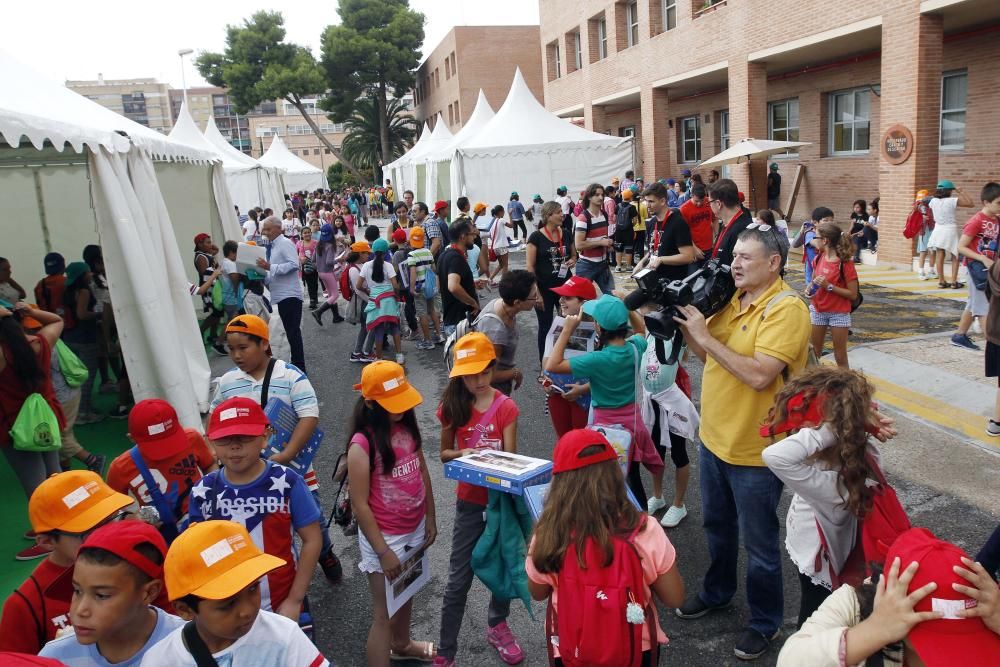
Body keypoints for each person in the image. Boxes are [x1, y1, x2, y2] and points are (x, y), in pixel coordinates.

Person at [672, 226, 811, 660]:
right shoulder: (732, 298)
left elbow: (758, 375)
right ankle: (718, 592)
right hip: (715, 438)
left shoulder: (786, 308)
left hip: (756, 450)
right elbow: (707, 358)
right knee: (717, 526)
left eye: (745, 257)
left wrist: (707, 336)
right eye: (734, 255)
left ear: (773, 263)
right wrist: (688, 327)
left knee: (761, 543)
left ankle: (765, 621)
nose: (734, 263)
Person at [525, 428, 685, 666]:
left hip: (571, 648)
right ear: (615, 474)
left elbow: (538, 593)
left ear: (558, 482)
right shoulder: (644, 529)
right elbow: (675, 597)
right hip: (634, 648)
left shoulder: (548, 532)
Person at [211, 314, 342, 583]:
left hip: (292, 468)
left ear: (264, 345)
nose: (236, 355)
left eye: (243, 348)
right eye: (231, 348)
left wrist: (286, 455)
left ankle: (324, 551)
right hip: (245, 472)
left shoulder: (291, 375)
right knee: (258, 521)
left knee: (311, 517)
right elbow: (214, 418)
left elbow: (309, 416)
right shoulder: (227, 382)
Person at [761, 367, 890, 627]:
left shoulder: (832, 486)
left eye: (804, 430)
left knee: (812, 620)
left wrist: (831, 428)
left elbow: (774, 456)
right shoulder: (864, 459)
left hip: (820, 564)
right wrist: (852, 421)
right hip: (832, 554)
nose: (797, 434)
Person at [776, 527, 1000, 666]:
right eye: (940, 642)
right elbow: (791, 659)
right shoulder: (854, 604)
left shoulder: (989, 610)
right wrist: (874, 631)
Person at [434, 333, 523, 667]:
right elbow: (444, 454)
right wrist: (464, 453)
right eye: (470, 375)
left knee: (502, 571)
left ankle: (497, 624)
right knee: (458, 579)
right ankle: (445, 650)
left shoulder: (507, 407)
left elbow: (513, 459)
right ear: (459, 374)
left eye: (484, 372)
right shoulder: (452, 407)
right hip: (469, 503)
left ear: (493, 367)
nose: (478, 381)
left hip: (501, 502)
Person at [190, 397, 322, 620]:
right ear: (210, 442)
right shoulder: (202, 491)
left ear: (265, 437)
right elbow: (198, 551)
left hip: (283, 604)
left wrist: (295, 600)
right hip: (228, 610)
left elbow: (312, 539)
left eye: (244, 437)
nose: (234, 446)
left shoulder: (287, 481)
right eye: (224, 439)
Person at [140, 520, 329, 666]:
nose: (247, 611)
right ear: (184, 610)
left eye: (253, 588)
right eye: (228, 604)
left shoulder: (284, 636)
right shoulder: (160, 661)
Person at [347, 361, 438, 665]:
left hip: (413, 530)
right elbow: (360, 505)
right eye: (392, 403)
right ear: (371, 403)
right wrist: (383, 551)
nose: (400, 408)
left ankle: (402, 644)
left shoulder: (407, 429)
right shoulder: (362, 445)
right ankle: (387, 649)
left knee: (407, 591)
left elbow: (423, 471)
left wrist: (431, 516)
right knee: (383, 613)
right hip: (384, 538)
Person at [545, 293, 664, 507]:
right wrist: (627, 308)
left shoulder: (598, 359)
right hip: (632, 424)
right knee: (632, 475)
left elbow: (552, 365)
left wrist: (567, 330)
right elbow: (640, 331)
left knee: (606, 477)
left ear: (599, 328)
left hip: (606, 428)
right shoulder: (634, 348)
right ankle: (641, 521)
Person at [0, 470, 134, 653]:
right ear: (46, 542)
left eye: (112, 519)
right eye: (90, 531)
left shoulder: (136, 561)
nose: (107, 535)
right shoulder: (26, 605)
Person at [39, 521, 183, 666]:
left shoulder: (190, 648)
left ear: (148, 593)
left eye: (102, 595)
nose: (80, 610)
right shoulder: (54, 658)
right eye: (77, 591)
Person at [106, 399, 218, 539]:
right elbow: (110, 512)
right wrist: (132, 520)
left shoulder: (191, 438)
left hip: (204, 518)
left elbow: (209, 465)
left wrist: (215, 492)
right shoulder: (121, 467)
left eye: (170, 440)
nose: (167, 452)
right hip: (162, 536)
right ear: (132, 439)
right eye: (156, 446)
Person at [0, 301, 65, 503]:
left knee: (35, 487)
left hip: (14, 425)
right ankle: (73, 525)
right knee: (56, 475)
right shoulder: (40, 342)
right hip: (45, 418)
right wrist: (31, 311)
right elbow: (57, 320)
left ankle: (50, 530)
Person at [639, 328, 696, 529]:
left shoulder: (678, 334)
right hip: (651, 402)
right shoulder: (649, 331)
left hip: (672, 402)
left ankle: (679, 504)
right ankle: (657, 496)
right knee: (656, 452)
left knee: (679, 453)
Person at [541, 277, 597, 437]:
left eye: (567, 298)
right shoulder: (559, 324)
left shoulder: (600, 329)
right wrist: (545, 382)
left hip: (585, 397)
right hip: (557, 395)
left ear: (584, 303)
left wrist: (583, 389)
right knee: (565, 441)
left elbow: (610, 372)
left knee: (583, 443)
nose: (560, 301)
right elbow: (546, 363)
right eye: (561, 296)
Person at [473, 270, 539, 395]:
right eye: (534, 296)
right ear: (517, 303)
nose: (537, 299)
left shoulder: (501, 303)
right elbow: (489, 375)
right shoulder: (496, 331)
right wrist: (515, 373)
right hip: (491, 393)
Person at [952, 182, 1000, 351]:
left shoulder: (996, 220)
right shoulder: (976, 220)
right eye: (998, 203)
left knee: (973, 304)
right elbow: (961, 247)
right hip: (975, 269)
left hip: (989, 269)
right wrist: (982, 258)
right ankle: (993, 346)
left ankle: (959, 336)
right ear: (986, 202)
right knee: (984, 308)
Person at [256, 217, 307, 372]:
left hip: (290, 294)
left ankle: (299, 366)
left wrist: (269, 266)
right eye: (264, 229)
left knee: (293, 332)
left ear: (278, 228)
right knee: (291, 331)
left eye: (268, 229)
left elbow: (294, 265)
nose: (265, 232)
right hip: (282, 294)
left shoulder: (284, 243)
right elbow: (273, 271)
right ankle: (297, 363)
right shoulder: (272, 246)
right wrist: (262, 277)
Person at [526, 201, 575, 361]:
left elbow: (574, 255)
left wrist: (573, 260)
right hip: (544, 289)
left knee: (567, 324)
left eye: (562, 211)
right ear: (548, 216)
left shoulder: (566, 233)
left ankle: (564, 362)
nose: (563, 214)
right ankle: (545, 365)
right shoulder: (536, 237)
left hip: (566, 288)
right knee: (546, 327)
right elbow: (530, 267)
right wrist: (536, 293)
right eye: (559, 212)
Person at [806, 222, 859, 368]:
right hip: (818, 310)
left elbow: (853, 294)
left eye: (815, 236)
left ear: (825, 241)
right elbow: (815, 281)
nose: (812, 239)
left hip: (839, 313)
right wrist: (810, 289)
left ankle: (847, 387)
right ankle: (813, 385)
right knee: (814, 353)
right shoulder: (819, 257)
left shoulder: (845, 263)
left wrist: (829, 286)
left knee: (840, 356)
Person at [60, 261, 104, 423]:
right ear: (82, 275)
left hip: (70, 337)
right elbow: (82, 314)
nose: (90, 274)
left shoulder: (67, 291)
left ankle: (82, 407)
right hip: (86, 338)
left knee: (75, 376)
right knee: (88, 376)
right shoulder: (84, 291)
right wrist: (98, 314)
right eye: (87, 272)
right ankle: (83, 412)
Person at [358, 238, 404, 365]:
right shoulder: (388, 266)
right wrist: (398, 295)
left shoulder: (366, 265)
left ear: (373, 251)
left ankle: (379, 358)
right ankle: (399, 355)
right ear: (385, 252)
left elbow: (358, 285)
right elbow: (395, 285)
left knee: (378, 330)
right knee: (394, 327)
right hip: (389, 300)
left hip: (374, 300)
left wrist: (368, 290)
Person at [635, 181, 695, 279]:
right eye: (646, 201)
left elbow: (688, 257)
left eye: (651, 201)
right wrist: (642, 262)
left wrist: (661, 260)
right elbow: (654, 250)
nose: (647, 205)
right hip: (652, 278)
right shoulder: (652, 222)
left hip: (671, 282)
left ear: (663, 201)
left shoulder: (678, 222)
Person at [927, 179, 974, 289]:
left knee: (940, 254)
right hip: (950, 229)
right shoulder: (952, 200)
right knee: (955, 255)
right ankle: (953, 282)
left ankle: (941, 281)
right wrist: (961, 192)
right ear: (949, 191)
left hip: (938, 229)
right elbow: (970, 204)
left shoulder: (933, 201)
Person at [438, 219, 480, 336]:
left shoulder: (445, 255)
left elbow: (443, 283)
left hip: (453, 320)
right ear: (463, 236)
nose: (475, 237)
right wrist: (472, 302)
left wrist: (471, 284)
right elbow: (453, 287)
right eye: (472, 233)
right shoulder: (456, 258)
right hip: (459, 322)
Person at [405, 227, 445, 350]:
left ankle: (427, 341)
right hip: (430, 287)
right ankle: (439, 335)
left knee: (422, 313)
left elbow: (413, 274)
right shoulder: (428, 252)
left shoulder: (411, 255)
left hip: (419, 288)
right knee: (432, 310)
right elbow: (434, 270)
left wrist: (412, 289)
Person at [574, 183, 615, 294]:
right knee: (582, 299)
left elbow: (603, 238)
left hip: (603, 264)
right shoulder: (583, 218)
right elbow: (578, 245)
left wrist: (608, 245)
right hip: (587, 265)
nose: (601, 197)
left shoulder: (604, 215)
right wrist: (601, 243)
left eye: (602, 195)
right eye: (597, 195)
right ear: (589, 197)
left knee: (613, 297)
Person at [708, 178, 755, 268]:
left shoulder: (741, 231)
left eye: (710, 202)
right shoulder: (727, 223)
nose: (709, 206)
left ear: (718, 204)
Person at [311, 223, 346, 325]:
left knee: (330, 294)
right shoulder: (330, 246)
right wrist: (339, 259)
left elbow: (313, 259)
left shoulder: (318, 244)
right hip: (328, 272)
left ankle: (336, 317)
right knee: (335, 295)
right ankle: (318, 312)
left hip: (320, 273)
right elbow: (329, 262)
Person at [679, 183, 715, 266]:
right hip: (694, 249)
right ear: (691, 195)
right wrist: (694, 249)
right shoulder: (684, 209)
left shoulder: (708, 201)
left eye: (701, 201)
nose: (699, 204)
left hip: (710, 247)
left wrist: (716, 237)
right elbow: (684, 233)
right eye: (696, 201)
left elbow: (715, 219)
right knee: (694, 277)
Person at [34, 253, 68, 321]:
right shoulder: (66, 282)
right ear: (63, 266)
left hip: (48, 322)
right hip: (67, 323)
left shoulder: (39, 285)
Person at [913, 190, 937, 280]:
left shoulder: (931, 205)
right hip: (923, 231)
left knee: (932, 251)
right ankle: (921, 271)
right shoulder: (917, 206)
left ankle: (931, 270)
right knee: (923, 251)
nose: (921, 202)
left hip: (932, 229)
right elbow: (914, 215)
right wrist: (921, 217)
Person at [487, 204, 512, 284]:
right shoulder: (501, 220)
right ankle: (503, 282)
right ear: (500, 212)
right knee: (505, 265)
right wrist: (510, 215)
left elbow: (491, 236)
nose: (504, 213)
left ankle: (490, 279)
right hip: (502, 246)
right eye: (503, 211)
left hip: (495, 247)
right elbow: (511, 226)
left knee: (501, 265)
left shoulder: (492, 223)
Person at [296, 226, 319, 311]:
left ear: (311, 233)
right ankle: (312, 300)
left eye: (308, 232)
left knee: (315, 282)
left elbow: (320, 254)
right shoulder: (299, 243)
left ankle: (314, 297)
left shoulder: (315, 242)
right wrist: (300, 259)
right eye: (305, 233)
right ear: (301, 235)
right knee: (309, 283)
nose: (307, 234)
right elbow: (295, 254)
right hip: (304, 266)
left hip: (315, 266)